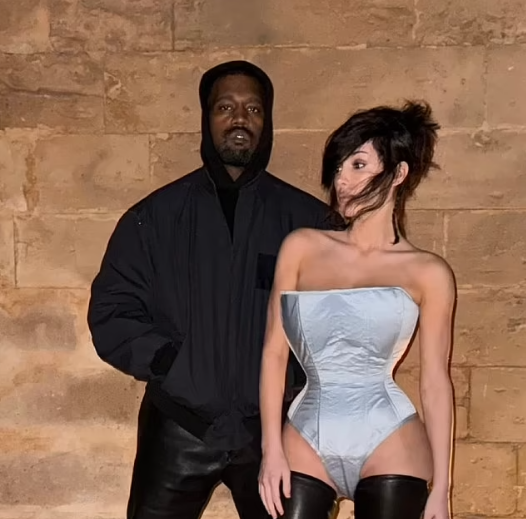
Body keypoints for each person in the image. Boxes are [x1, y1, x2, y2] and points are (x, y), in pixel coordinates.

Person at [87, 60, 338, 519]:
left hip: (276, 431)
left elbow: (337, 319)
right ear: (206, 118)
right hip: (178, 426)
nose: (240, 118)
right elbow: (112, 310)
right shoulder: (153, 220)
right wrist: (173, 363)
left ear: (267, 120)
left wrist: (295, 383)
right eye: (226, 107)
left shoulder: (308, 222)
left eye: (253, 109)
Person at [258, 101, 455, 519]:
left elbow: (436, 382)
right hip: (304, 437)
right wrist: (269, 448)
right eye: (339, 168)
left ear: (398, 173)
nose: (342, 181)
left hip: (390, 439)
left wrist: (443, 489)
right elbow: (274, 353)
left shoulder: (428, 272)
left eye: (358, 165)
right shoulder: (301, 247)